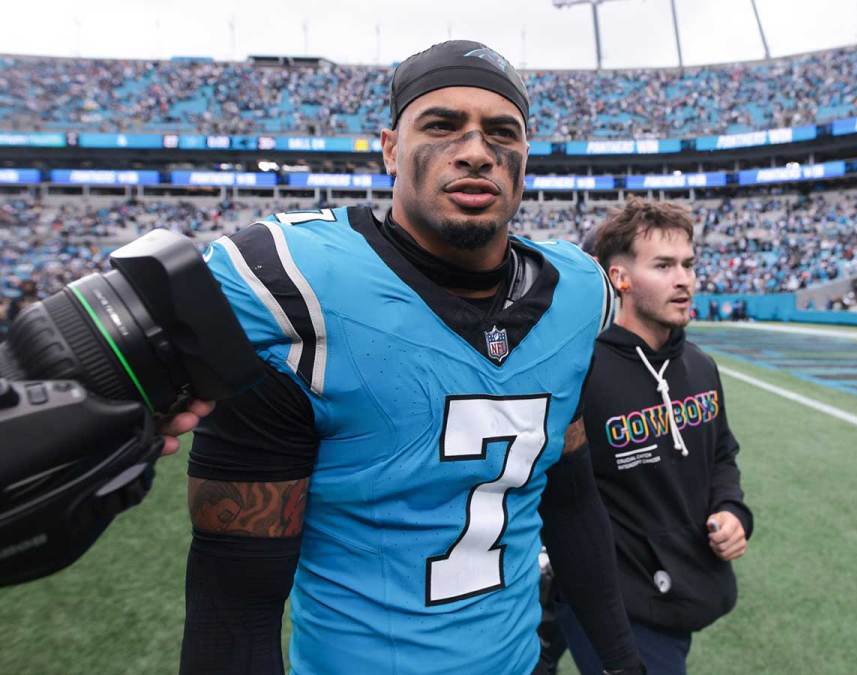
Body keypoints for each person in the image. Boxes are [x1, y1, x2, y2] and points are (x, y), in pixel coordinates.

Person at [178, 41, 643, 674]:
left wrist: (621, 661)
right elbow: (233, 602)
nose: (477, 151)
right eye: (443, 125)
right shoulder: (293, 286)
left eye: (502, 132)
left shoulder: (578, 292)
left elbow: (572, 501)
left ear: (525, 155)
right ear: (391, 148)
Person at [555, 199, 752, 674]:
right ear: (620, 279)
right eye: (663, 265)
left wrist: (732, 510)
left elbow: (721, 455)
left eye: (688, 264)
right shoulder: (582, 372)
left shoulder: (700, 365)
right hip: (613, 607)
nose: (683, 278)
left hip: (685, 589)